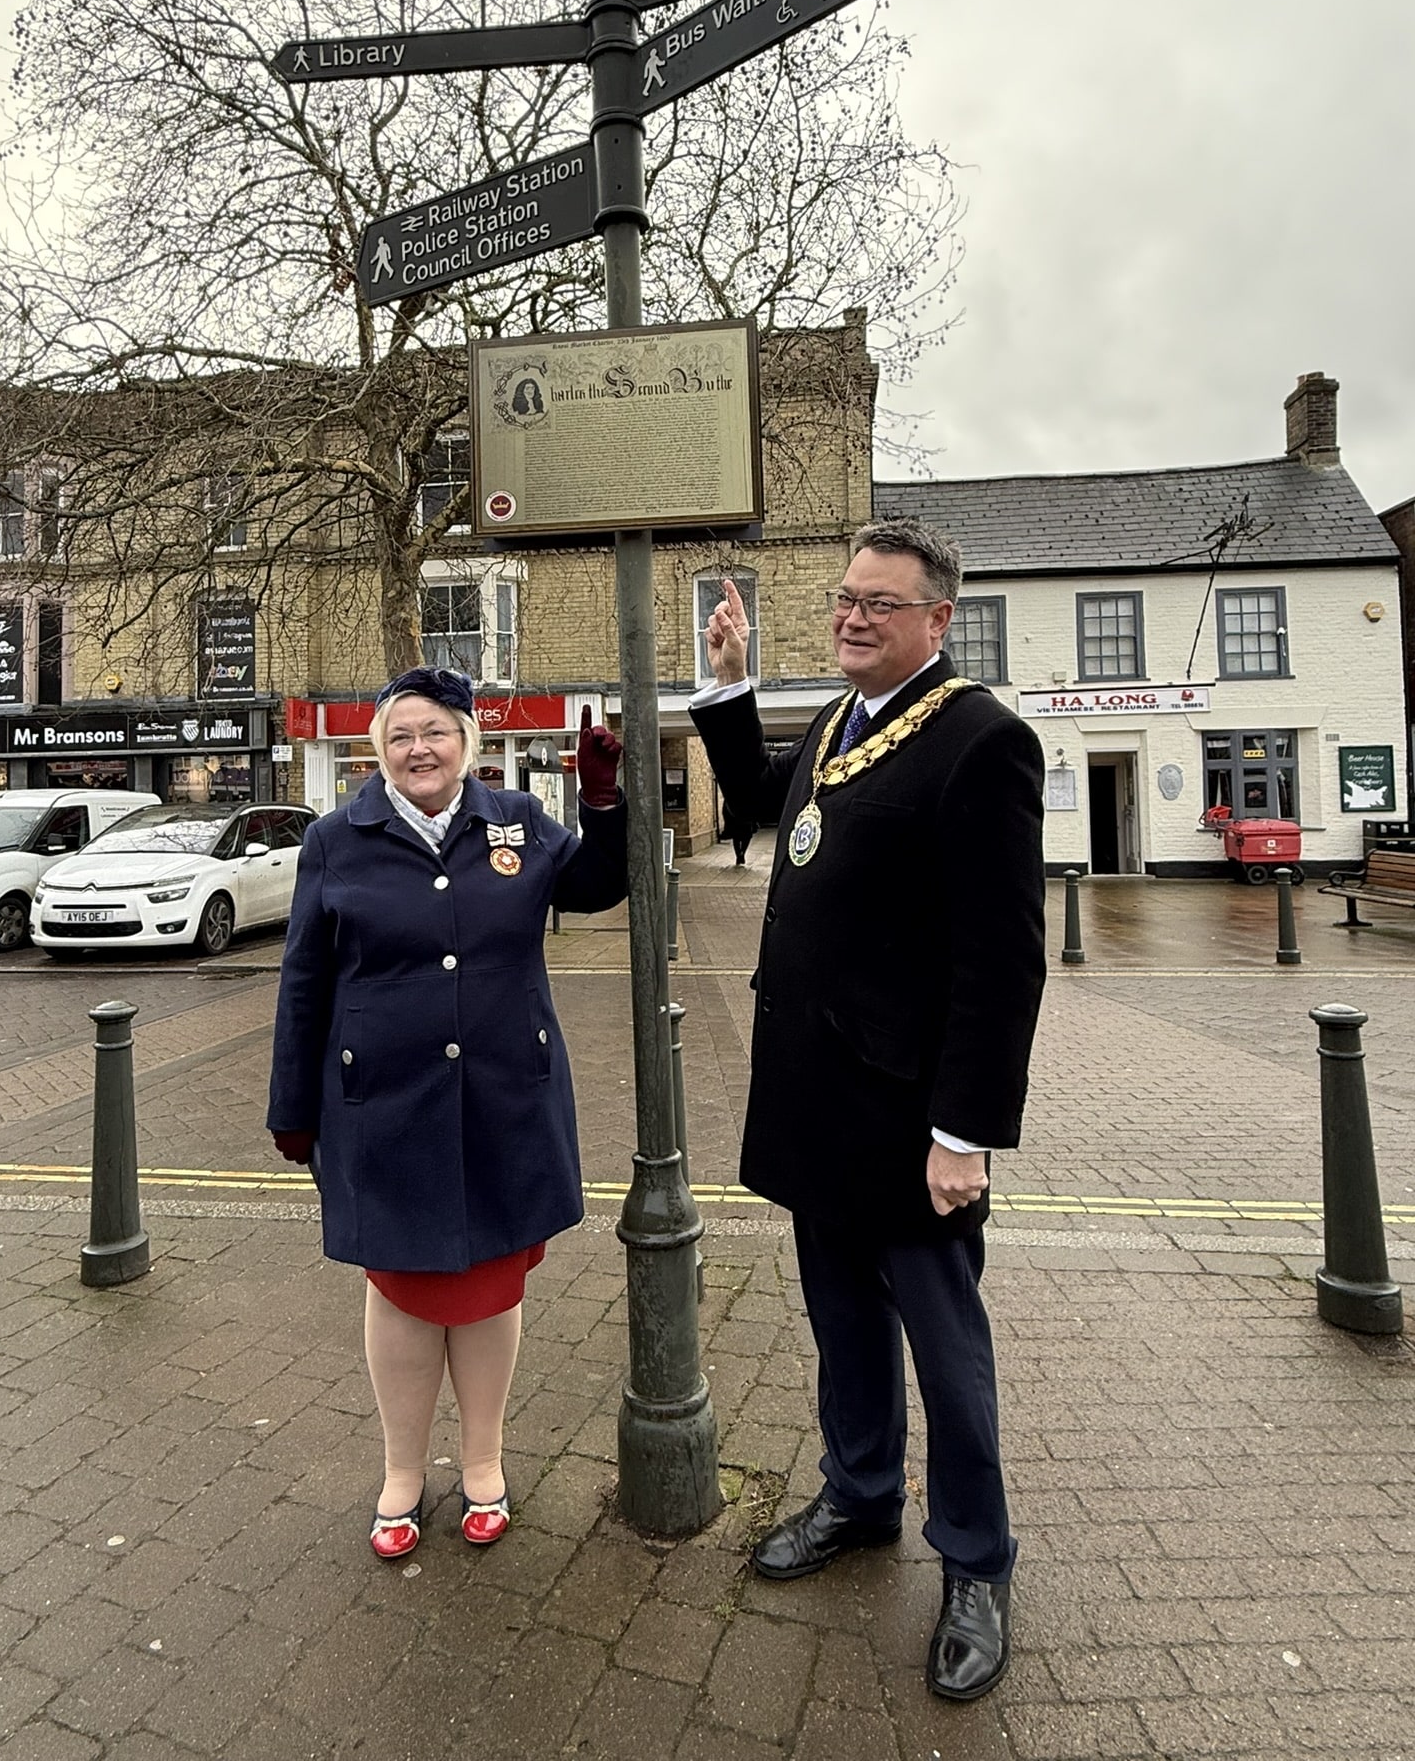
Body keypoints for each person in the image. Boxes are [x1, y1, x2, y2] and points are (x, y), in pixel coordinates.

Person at [690, 519, 1046, 1703]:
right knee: (842, 1324)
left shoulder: (982, 741)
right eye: (845, 597)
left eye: (878, 603)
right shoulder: (843, 720)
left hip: (910, 1118)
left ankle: (978, 1560)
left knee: (947, 1352)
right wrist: (731, 682)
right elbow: (761, 804)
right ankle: (860, 1492)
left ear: (938, 618)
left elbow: (1003, 960)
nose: (851, 616)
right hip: (818, 1097)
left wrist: (964, 1132)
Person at [268, 667, 628, 1562]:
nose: (418, 749)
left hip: (505, 1099)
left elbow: (596, 888)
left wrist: (601, 800)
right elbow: (304, 980)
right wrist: (292, 1107)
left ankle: (483, 1462)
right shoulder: (336, 840)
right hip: (384, 1106)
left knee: (489, 1287)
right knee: (400, 1289)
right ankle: (401, 1472)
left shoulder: (518, 822)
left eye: (435, 731)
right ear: (377, 752)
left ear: (467, 741)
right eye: (400, 736)